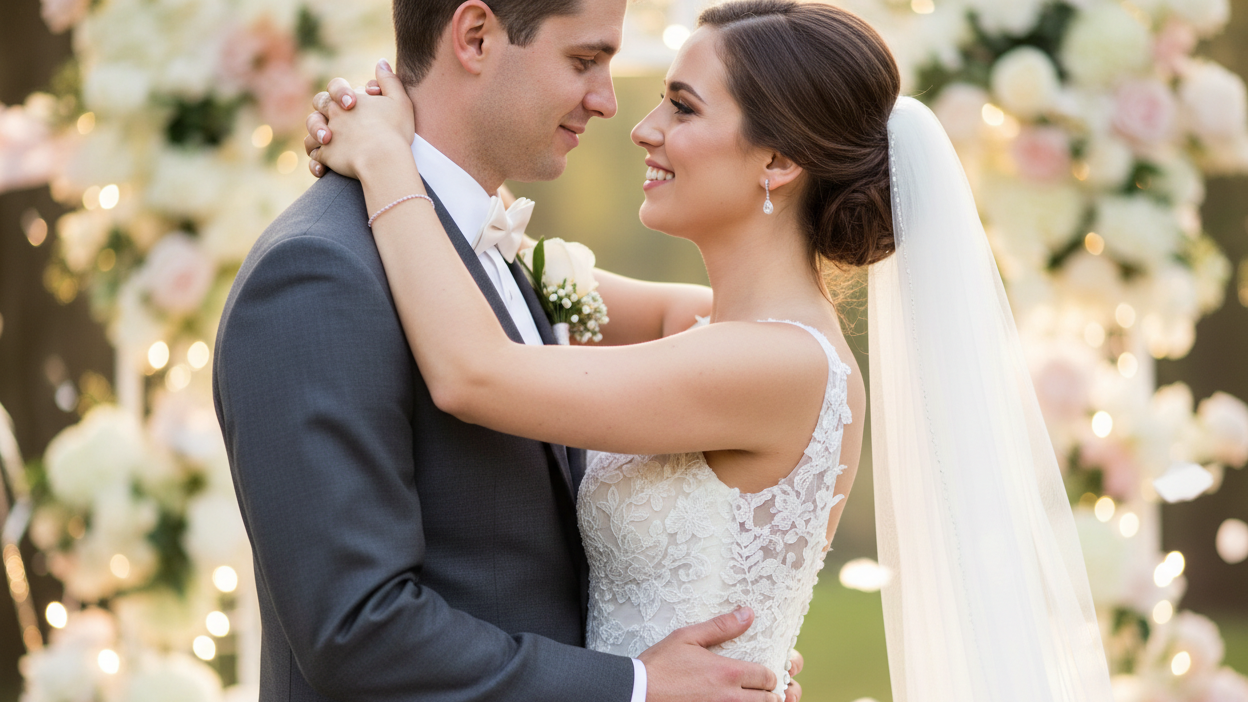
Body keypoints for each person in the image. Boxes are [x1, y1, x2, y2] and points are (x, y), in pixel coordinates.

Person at [307, 1, 1121, 700]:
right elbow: (510, 267)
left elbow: (473, 370)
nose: (642, 128)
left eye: (684, 109)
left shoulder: (774, 369)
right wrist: (435, 152)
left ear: (777, 161)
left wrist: (383, 161)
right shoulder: (712, 331)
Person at [214, 0, 800, 700]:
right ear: (476, 36)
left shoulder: (492, 249)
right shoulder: (319, 273)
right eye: (584, 61)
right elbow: (357, 632)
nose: (609, 102)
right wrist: (635, 687)